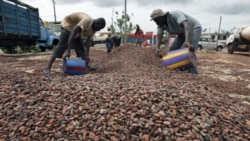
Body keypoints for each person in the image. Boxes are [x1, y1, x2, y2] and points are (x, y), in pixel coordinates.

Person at [150, 9, 202, 74]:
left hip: (193, 28)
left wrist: (187, 41)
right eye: (154, 21)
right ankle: (175, 69)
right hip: (181, 33)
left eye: (156, 20)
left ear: (162, 17)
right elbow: (159, 36)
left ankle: (193, 75)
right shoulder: (160, 25)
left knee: (189, 51)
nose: (156, 22)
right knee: (173, 50)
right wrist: (157, 48)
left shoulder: (174, 14)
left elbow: (186, 25)